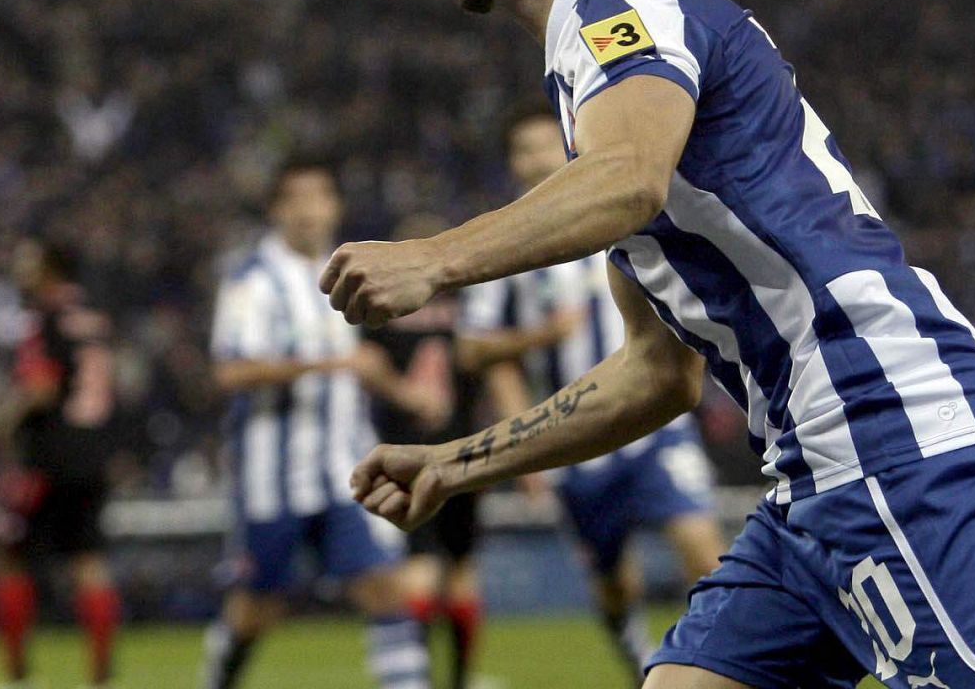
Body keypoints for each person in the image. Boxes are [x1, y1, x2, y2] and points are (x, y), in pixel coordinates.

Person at [323, 0, 975, 689]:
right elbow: (656, 375)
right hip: (810, 471)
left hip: (889, 428)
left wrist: (433, 261)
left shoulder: (623, 4)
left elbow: (629, 182)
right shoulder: (597, 90)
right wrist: (457, 462)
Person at [458, 101, 726, 683]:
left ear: (568, 143)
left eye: (542, 145)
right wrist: (522, 434)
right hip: (579, 433)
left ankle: (719, 668)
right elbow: (476, 351)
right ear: (512, 163)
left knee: (704, 553)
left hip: (656, 424)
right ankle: (638, 659)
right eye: (521, 150)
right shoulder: (507, 245)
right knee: (613, 579)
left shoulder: (626, 206)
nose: (534, 158)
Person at [198, 158, 427, 689]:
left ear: (335, 207)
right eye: (295, 199)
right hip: (271, 478)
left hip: (345, 466)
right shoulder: (252, 282)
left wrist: (402, 393)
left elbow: (359, 367)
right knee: (258, 609)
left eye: (319, 197)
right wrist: (327, 364)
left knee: (384, 589)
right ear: (277, 210)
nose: (308, 211)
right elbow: (231, 371)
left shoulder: (347, 272)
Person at [0, 239, 122, 689]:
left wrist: (4, 419)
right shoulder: (94, 319)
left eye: (28, 260)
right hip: (94, 453)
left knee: (9, 559)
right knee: (89, 561)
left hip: (47, 456)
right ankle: (101, 676)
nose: (19, 267)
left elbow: (41, 387)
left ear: (48, 269)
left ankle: (16, 675)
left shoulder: (40, 319)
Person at [360, 225, 488, 689]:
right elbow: (483, 361)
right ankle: (458, 679)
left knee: (421, 566)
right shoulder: (470, 300)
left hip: (404, 452)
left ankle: (418, 679)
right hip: (467, 448)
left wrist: (404, 396)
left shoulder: (383, 300)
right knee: (460, 569)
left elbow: (367, 365)